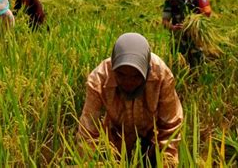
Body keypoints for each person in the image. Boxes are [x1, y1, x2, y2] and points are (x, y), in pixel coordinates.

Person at [78, 33, 183, 165]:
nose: (128, 82)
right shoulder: (99, 80)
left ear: (146, 70)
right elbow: (88, 132)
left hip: (150, 136)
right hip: (115, 137)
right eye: (121, 75)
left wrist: (166, 161)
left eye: (136, 76)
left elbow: (171, 126)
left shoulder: (161, 75)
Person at [162, 0, 211, 68]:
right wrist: (173, 28)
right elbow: (165, 21)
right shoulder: (170, 0)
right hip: (178, 41)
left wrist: (195, 21)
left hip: (196, 40)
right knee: (179, 66)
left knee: (199, 66)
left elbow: (207, 14)